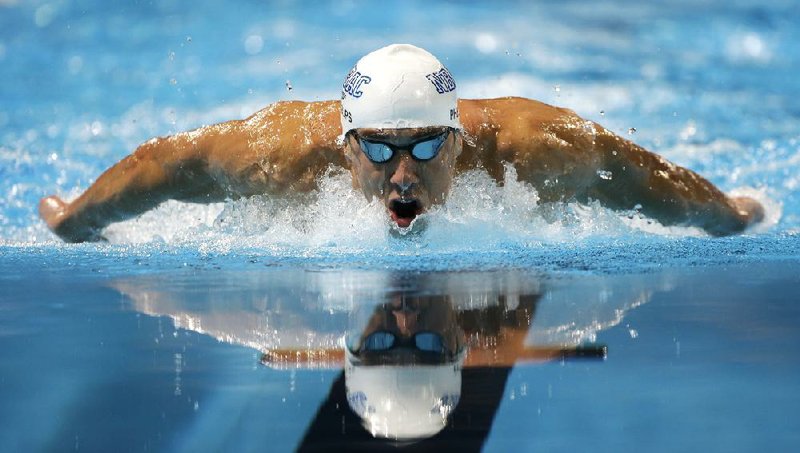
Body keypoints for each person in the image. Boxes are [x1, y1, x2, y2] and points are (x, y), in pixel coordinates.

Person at [39, 44, 764, 242]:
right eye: (382, 150)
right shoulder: (278, 151)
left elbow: (638, 172)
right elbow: (162, 163)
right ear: (346, 143)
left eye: (424, 146)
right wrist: (76, 218)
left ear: (457, 140)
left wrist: (726, 214)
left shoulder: (533, 148)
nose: (403, 174)